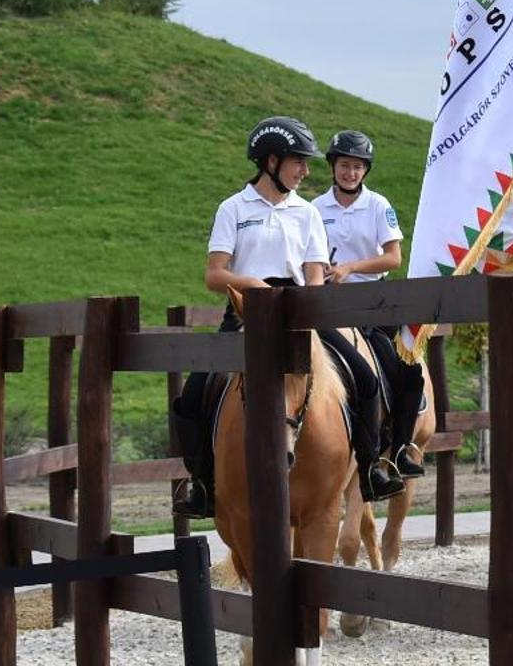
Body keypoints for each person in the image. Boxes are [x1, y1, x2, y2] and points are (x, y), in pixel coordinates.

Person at [170, 117, 405, 519]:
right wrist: (252, 285)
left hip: (301, 313)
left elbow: (315, 271)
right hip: (246, 313)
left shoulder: (306, 212)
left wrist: (307, 303)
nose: (306, 170)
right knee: (192, 396)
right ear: (271, 161)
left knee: (365, 379)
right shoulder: (233, 208)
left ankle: (370, 469)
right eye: (299, 161)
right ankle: (204, 485)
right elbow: (214, 274)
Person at [311, 129, 426, 479]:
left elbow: (393, 258)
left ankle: (403, 447)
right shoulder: (314, 208)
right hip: (330, 303)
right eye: (344, 165)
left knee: (408, 370)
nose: (350, 173)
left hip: (374, 302)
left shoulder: (379, 205)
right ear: (333, 167)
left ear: (365, 170)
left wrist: (351, 267)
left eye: (358, 167)